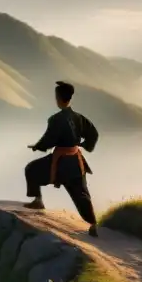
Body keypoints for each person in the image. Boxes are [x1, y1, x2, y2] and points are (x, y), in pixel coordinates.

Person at [24, 80, 100, 236]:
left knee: (31, 169)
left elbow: (49, 139)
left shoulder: (55, 119)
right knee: (82, 195)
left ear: (58, 98)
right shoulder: (79, 118)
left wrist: (38, 146)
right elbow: (93, 134)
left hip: (60, 163)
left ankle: (38, 201)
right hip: (76, 162)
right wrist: (84, 145)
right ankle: (93, 224)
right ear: (70, 98)